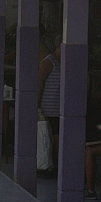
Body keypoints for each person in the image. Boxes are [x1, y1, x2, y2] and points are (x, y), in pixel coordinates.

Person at [37, 44, 62, 178]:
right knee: (51, 138)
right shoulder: (49, 62)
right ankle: (50, 166)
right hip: (49, 108)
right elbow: (40, 82)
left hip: (59, 109)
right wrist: (37, 104)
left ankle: (56, 166)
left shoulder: (63, 63)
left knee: (58, 139)